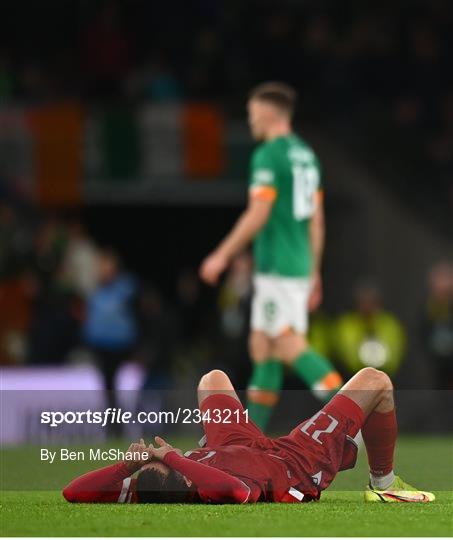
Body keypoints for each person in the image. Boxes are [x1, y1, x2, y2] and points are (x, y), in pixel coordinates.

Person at [63, 368, 434, 504]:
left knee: (213, 380)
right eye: (159, 464)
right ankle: (383, 483)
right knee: (377, 382)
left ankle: (216, 441)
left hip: (233, 446)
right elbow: (237, 492)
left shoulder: (148, 484)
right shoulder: (207, 488)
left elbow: (72, 492)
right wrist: (173, 455)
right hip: (291, 462)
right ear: (180, 474)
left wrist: (127, 465)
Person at [200, 82, 342, 430]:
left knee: (287, 345)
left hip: (278, 266)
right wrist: (314, 270)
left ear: (267, 112)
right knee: (262, 347)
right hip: (294, 265)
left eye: (251, 113)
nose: (249, 121)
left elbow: (258, 213)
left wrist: (220, 255)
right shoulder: (307, 156)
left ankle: (352, 416)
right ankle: (254, 438)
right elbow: (317, 221)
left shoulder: (268, 155)